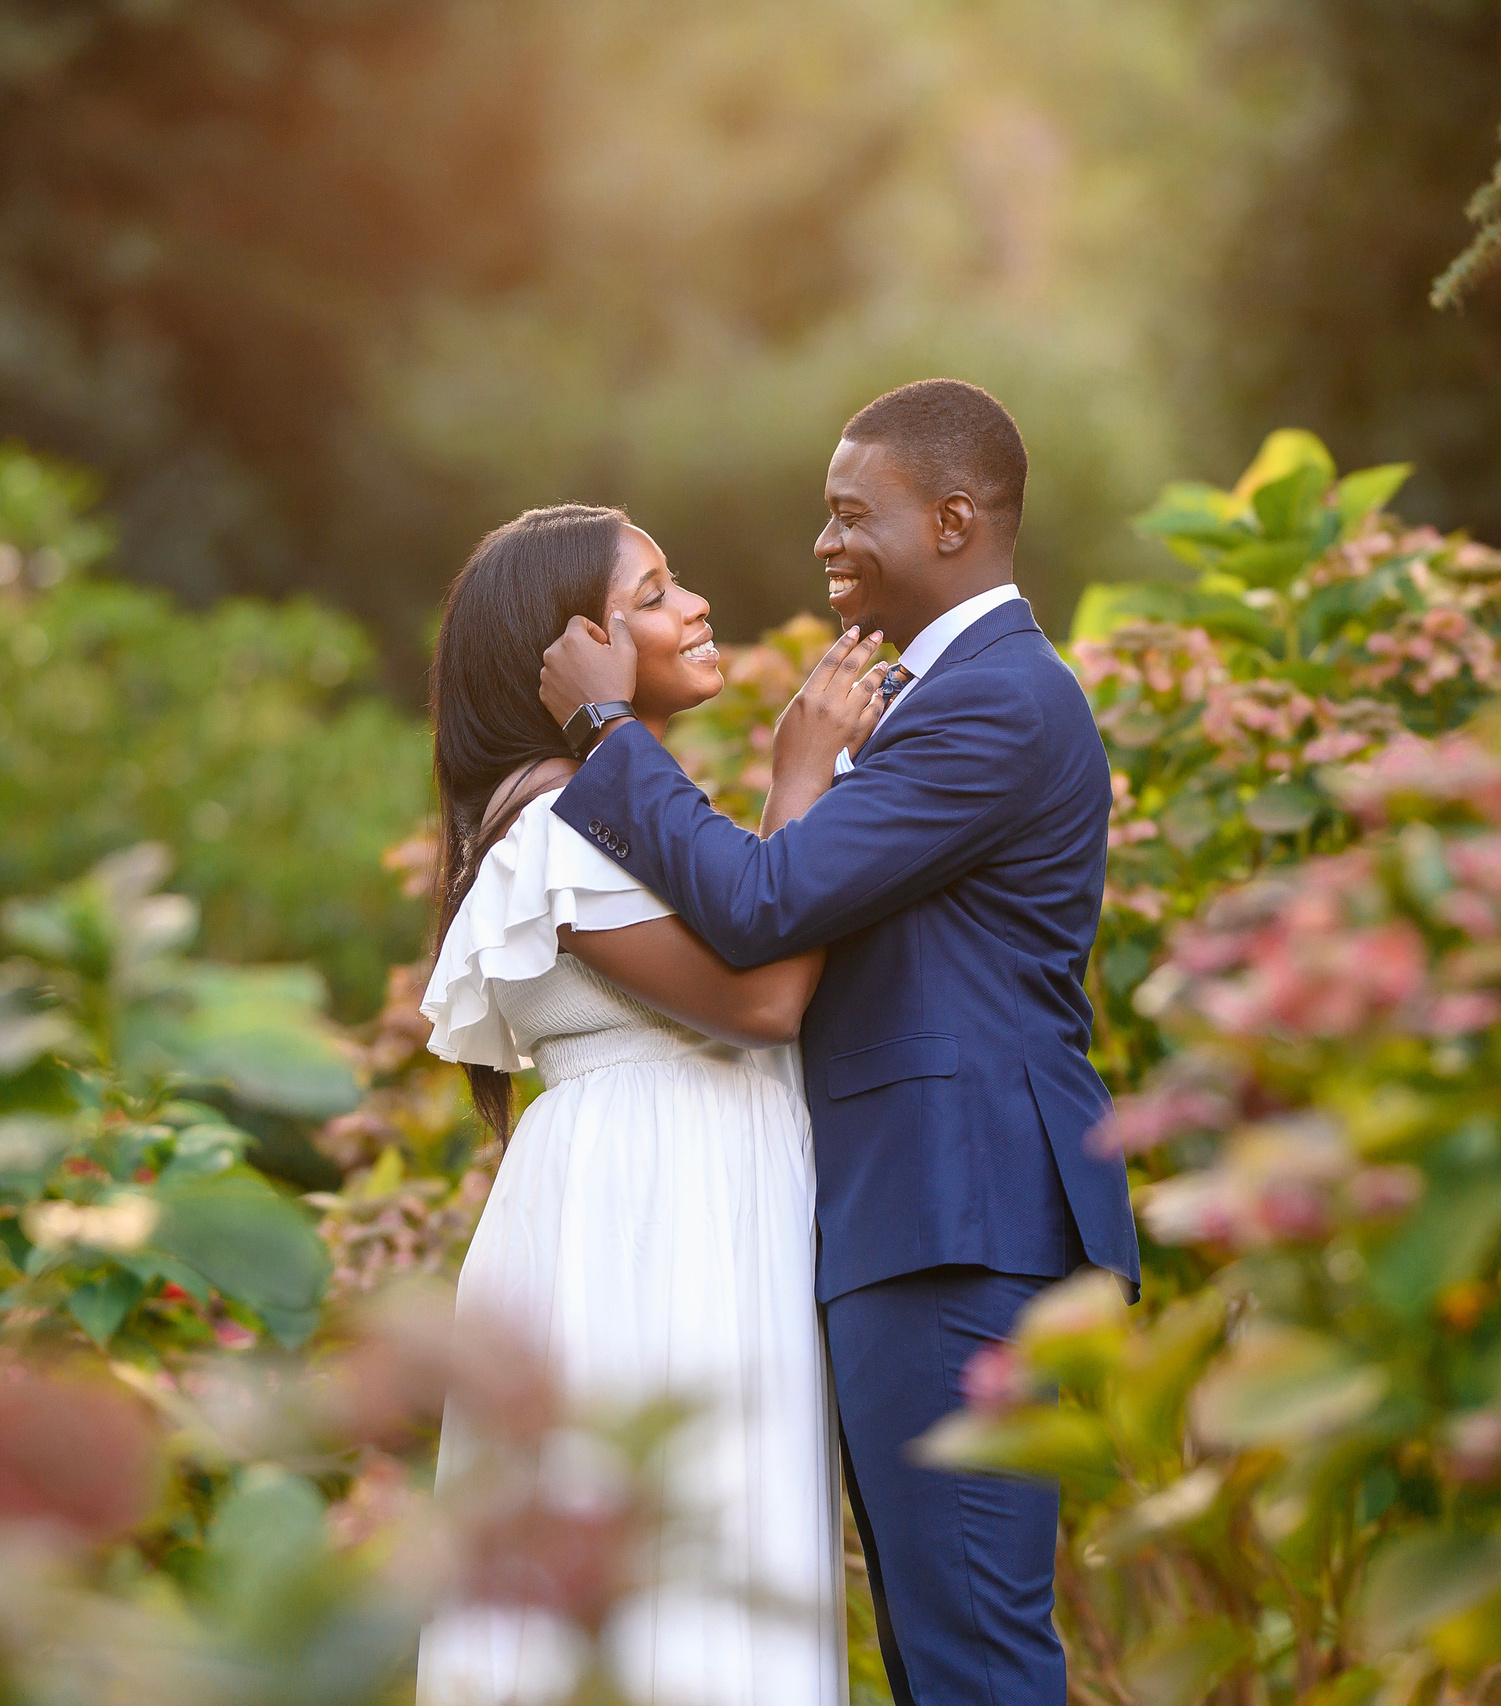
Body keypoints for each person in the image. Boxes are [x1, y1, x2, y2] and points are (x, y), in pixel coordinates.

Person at [540, 380, 1141, 1706]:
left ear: (954, 518)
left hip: (958, 1217)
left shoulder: (998, 699)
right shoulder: (937, 700)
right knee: (947, 1655)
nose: (825, 543)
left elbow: (764, 906)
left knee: (975, 1656)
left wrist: (603, 730)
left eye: (851, 514)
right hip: (925, 1219)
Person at [412, 503, 887, 1705]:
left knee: (710, 1560)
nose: (697, 606)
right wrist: (802, 777)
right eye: (659, 590)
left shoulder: (606, 805)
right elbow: (768, 996)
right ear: (579, 647)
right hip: (648, 1218)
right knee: (669, 1572)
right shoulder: (556, 820)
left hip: (688, 1190)